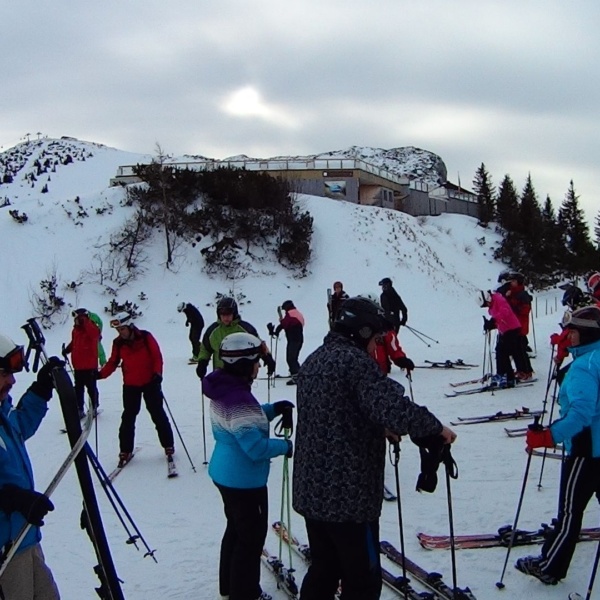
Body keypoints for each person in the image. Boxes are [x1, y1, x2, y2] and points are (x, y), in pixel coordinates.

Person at [292, 296, 456, 600]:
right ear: (362, 331)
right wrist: (436, 429)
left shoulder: (314, 360)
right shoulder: (354, 363)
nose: (375, 346)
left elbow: (336, 413)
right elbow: (394, 407)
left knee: (324, 570)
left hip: (312, 492)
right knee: (363, 581)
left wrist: (377, 427)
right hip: (348, 500)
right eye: (376, 338)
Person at [202, 332, 293, 600]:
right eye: (256, 361)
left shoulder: (225, 388)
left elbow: (244, 420)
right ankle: (245, 593)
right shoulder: (239, 398)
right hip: (243, 481)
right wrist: (285, 446)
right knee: (250, 540)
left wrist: (273, 409)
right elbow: (255, 448)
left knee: (236, 530)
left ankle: (229, 588)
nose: (259, 366)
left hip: (226, 473)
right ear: (244, 363)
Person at [516, 305, 600, 585]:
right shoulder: (593, 358)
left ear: (586, 335)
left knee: (569, 513)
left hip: (586, 451)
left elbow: (581, 414)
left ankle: (550, 567)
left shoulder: (584, 367)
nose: (568, 337)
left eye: (572, 333)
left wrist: (549, 436)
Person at [0, 336, 62, 600]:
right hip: (5, 551)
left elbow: (21, 424)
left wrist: (41, 389)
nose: (12, 381)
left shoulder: (3, 414)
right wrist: (13, 498)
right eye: (4, 374)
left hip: (24, 538)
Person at [98, 313, 175, 467]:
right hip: (130, 384)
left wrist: (158, 373)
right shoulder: (118, 343)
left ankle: (168, 445)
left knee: (157, 414)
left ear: (130, 326)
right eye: (118, 330)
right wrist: (100, 375)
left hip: (150, 382)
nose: (120, 332)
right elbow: (113, 362)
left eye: (122, 329)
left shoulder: (145, 337)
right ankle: (125, 450)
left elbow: (157, 356)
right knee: (128, 417)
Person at [195, 297, 275, 380]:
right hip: (220, 374)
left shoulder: (245, 328)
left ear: (234, 313)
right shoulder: (213, 331)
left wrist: (267, 358)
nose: (226, 318)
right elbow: (205, 349)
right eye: (223, 315)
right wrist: (202, 362)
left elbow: (258, 345)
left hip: (242, 375)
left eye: (228, 314)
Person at [479, 290, 530, 386]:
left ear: (487, 298)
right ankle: (501, 373)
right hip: (504, 330)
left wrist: (493, 320)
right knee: (499, 350)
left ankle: (509, 376)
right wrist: (490, 325)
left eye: (485, 304)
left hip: (512, 328)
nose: (486, 306)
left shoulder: (499, 299)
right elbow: (499, 319)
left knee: (504, 351)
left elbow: (505, 312)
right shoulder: (492, 304)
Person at [63, 308, 101, 418]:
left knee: (91, 388)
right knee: (78, 389)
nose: (75, 321)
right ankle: (79, 408)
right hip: (78, 366)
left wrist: (85, 322)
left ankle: (94, 406)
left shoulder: (91, 327)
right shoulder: (75, 330)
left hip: (90, 366)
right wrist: (68, 349)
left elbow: (95, 335)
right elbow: (74, 342)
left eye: (77, 319)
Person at [498, 271, 534, 362]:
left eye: (513, 281)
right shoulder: (510, 291)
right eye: (511, 281)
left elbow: (525, 310)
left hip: (520, 326)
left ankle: (525, 368)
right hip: (512, 326)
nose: (511, 283)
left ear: (518, 282)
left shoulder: (522, 294)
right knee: (514, 349)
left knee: (520, 351)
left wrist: (512, 303)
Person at [269, 300, 304, 385]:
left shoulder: (291, 313)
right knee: (293, 358)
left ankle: (296, 376)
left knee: (291, 358)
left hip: (294, 339)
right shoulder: (295, 312)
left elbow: (285, 323)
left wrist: (277, 330)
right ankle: (297, 374)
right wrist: (278, 330)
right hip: (297, 338)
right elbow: (286, 324)